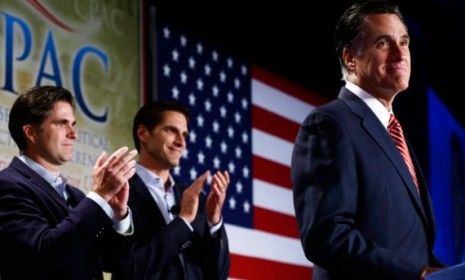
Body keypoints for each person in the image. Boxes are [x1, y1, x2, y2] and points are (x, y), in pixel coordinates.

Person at [291, 2, 444, 280]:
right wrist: (416, 273)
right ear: (351, 58)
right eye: (384, 43)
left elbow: (410, 247)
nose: (400, 54)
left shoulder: (394, 132)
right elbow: (327, 236)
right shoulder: (329, 123)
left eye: (404, 42)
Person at [0, 85, 137, 279]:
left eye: (73, 124)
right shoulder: (7, 184)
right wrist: (100, 195)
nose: (74, 134)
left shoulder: (77, 196)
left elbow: (113, 262)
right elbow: (44, 254)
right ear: (31, 133)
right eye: (62, 123)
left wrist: (118, 214)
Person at [110, 101, 230, 280]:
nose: (181, 142)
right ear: (143, 133)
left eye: (184, 134)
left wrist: (214, 223)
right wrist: (183, 221)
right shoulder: (119, 193)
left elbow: (218, 275)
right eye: (171, 131)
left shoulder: (194, 197)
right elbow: (128, 270)